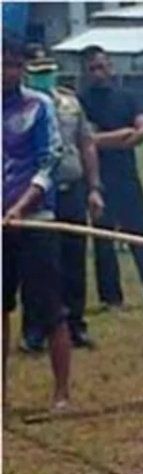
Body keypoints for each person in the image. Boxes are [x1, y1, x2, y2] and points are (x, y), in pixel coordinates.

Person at [78, 45, 143, 309]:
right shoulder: (80, 103)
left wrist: (109, 139)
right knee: (104, 240)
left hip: (127, 177)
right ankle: (111, 299)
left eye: (102, 66)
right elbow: (85, 141)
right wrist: (123, 136)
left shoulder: (127, 97)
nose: (98, 73)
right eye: (92, 69)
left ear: (110, 67)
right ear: (85, 72)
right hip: (97, 178)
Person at [20, 44, 104, 351]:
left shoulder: (70, 103)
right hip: (36, 195)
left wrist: (94, 187)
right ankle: (34, 330)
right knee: (38, 264)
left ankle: (75, 325)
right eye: (37, 71)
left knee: (73, 259)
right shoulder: (20, 107)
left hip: (71, 188)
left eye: (48, 70)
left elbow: (87, 144)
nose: (45, 76)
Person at [2, 36, 71, 409]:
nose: (4, 72)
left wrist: (22, 207)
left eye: (10, 64)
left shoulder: (39, 106)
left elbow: (50, 162)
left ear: (21, 67)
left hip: (37, 221)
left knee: (49, 309)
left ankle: (61, 393)